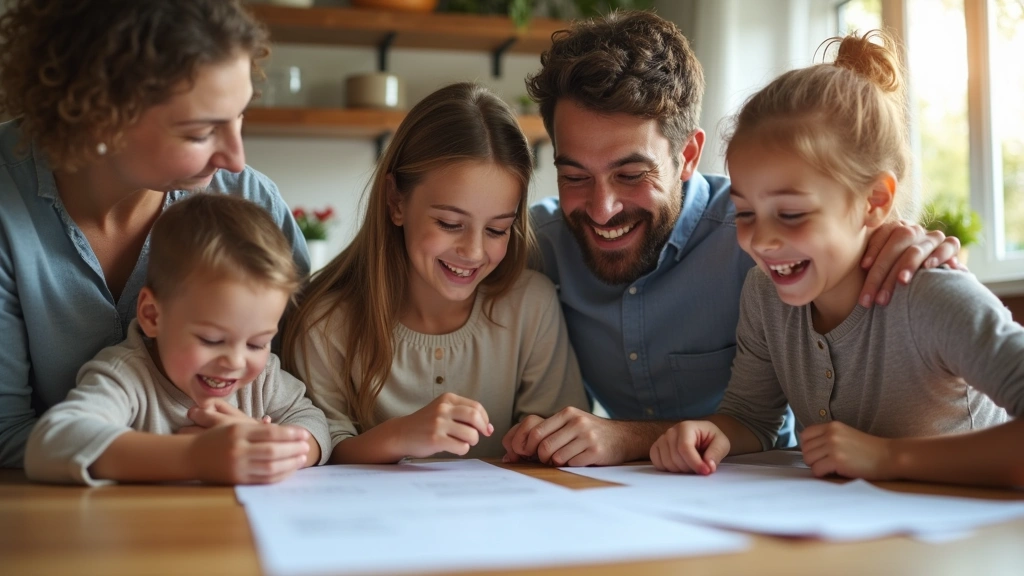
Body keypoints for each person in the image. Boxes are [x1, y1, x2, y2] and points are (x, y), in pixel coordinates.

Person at [501, 10, 963, 467]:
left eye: (630, 173)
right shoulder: (538, 245)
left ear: (688, 156)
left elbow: (856, 241)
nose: (602, 209)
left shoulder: (762, 240)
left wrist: (898, 243)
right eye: (575, 176)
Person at [649, 31, 1024, 487]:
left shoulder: (933, 297)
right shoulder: (764, 296)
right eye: (745, 212)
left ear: (874, 200)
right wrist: (714, 432)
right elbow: (752, 416)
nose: (762, 240)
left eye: (791, 213)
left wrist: (887, 458)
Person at [0, 0, 309, 468]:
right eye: (201, 132)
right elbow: (8, 436)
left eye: (239, 115)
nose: (236, 158)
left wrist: (276, 445)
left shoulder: (251, 203)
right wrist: (189, 456)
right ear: (100, 114)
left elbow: (293, 397)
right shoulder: (9, 197)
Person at [283, 82, 588, 463]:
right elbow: (319, 454)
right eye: (448, 223)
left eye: (497, 229)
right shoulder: (326, 325)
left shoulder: (531, 307)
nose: (474, 252)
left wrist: (546, 439)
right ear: (396, 201)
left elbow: (566, 437)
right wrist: (400, 435)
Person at [25, 194, 330, 485]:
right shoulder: (127, 377)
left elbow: (315, 423)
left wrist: (279, 451)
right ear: (152, 316)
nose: (236, 362)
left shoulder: (263, 380)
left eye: (256, 344)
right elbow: (50, 444)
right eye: (211, 339)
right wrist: (194, 457)